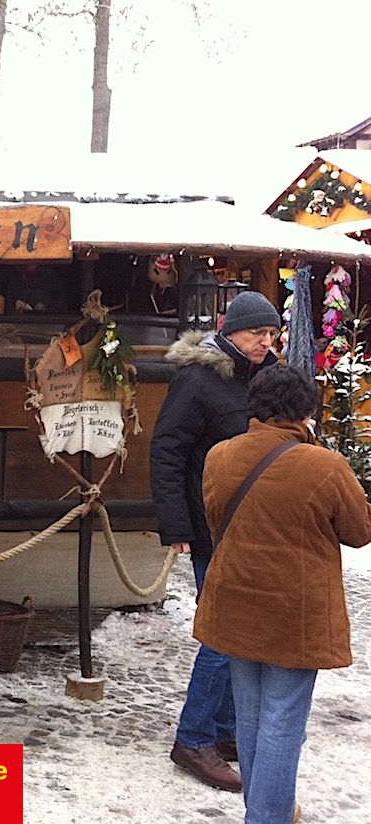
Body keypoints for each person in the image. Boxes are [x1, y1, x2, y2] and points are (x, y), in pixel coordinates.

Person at [198, 365, 371, 823]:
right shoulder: (324, 465)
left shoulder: (219, 455)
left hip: (234, 602)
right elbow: (360, 531)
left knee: (252, 717)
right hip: (296, 613)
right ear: (306, 411)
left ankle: (263, 809)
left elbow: (215, 519)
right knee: (282, 721)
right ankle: (267, 816)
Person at [149, 290, 282, 791]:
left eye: (271, 334)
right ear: (229, 332)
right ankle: (194, 739)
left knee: (242, 632)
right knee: (223, 635)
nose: (265, 342)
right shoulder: (197, 378)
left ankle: (225, 730)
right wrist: (176, 526)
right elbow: (167, 452)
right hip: (209, 525)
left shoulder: (265, 376)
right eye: (256, 334)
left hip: (253, 525)